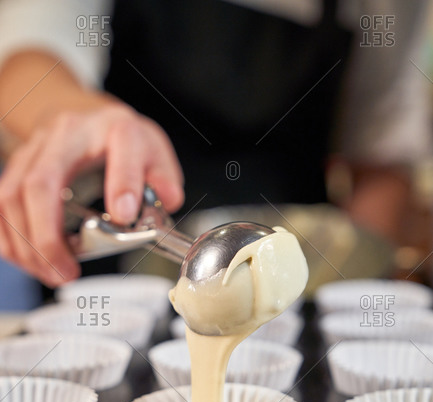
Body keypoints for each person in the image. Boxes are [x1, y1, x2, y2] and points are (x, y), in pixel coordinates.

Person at [0, 0, 430, 289]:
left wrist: (357, 284)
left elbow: (380, 152)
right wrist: (69, 112)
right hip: (124, 255)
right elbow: (29, 49)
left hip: (297, 259)